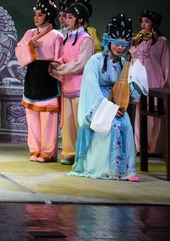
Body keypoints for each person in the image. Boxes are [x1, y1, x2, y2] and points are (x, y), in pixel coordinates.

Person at [69, 13, 148, 182]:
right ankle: (103, 168)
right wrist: (108, 109)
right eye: (117, 43)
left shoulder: (123, 63)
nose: (120, 48)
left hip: (117, 102)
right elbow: (91, 88)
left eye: (123, 45)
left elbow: (133, 87)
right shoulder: (95, 61)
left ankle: (126, 170)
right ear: (108, 40)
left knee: (125, 123)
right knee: (111, 125)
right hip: (100, 103)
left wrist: (134, 59)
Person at [14, 0, 64, 163]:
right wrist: (30, 46)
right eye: (35, 14)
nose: (36, 18)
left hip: (47, 77)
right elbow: (18, 51)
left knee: (48, 118)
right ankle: (35, 149)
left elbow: (60, 58)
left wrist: (55, 67)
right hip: (32, 76)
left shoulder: (57, 35)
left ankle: (48, 152)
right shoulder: (29, 34)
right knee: (32, 117)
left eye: (40, 15)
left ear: (48, 16)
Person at [51, 1, 93, 165]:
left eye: (70, 17)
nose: (66, 20)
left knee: (79, 122)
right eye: (66, 17)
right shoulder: (68, 37)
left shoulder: (86, 39)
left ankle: (82, 154)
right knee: (67, 122)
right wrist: (57, 63)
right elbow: (64, 57)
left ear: (80, 19)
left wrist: (61, 68)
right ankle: (69, 152)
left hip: (80, 87)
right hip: (67, 85)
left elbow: (81, 63)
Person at [131, 10, 169, 156]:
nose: (143, 24)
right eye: (142, 21)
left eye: (146, 21)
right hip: (142, 83)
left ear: (154, 23)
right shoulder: (140, 42)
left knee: (155, 118)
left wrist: (164, 86)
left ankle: (156, 148)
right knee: (141, 115)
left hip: (156, 83)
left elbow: (167, 65)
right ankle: (142, 147)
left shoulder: (162, 42)